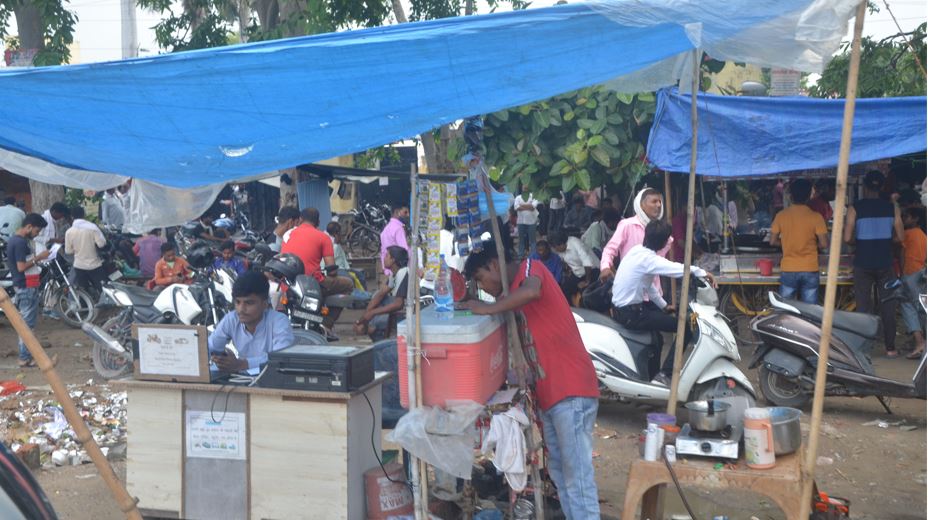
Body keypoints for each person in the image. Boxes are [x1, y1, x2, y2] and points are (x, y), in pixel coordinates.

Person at [460, 241, 600, 518]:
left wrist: (486, 309)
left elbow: (532, 290)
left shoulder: (530, 268)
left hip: (570, 389)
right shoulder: (509, 295)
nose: (483, 287)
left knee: (577, 476)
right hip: (550, 395)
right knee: (560, 472)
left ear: (493, 265)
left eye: (481, 278)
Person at [612, 220, 716, 386]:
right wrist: (702, 272)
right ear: (662, 243)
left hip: (626, 310)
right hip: (632, 313)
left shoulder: (636, 251)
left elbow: (647, 284)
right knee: (687, 327)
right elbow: (676, 269)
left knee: (657, 339)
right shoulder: (649, 259)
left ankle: (653, 379)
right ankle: (665, 374)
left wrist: (664, 306)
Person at [844, 170, 904, 357]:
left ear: (865, 186)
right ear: (882, 187)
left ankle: (864, 350)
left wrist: (858, 241)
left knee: (863, 306)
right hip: (885, 263)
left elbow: (847, 238)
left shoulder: (855, 208)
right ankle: (890, 348)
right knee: (888, 305)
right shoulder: (892, 208)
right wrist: (887, 241)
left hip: (862, 263)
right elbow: (900, 237)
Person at [281, 207, 354, 335]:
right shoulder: (323, 237)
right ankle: (326, 324)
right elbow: (332, 270)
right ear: (318, 222)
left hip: (288, 284)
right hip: (312, 284)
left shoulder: (287, 235)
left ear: (300, 220)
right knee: (348, 284)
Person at [208, 271, 294, 373]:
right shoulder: (232, 319)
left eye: (249, 303)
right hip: (240, 379)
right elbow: (210, 347)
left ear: (265, 304)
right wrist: (221, 359)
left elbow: (281, 359)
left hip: (272, 379)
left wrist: (242, 364)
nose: (241, 309)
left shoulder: (279, 321)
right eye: (237, 302)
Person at [600, 187, 671, 298]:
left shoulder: (663, 232)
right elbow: (610, 249)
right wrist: (605, 267)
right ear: (642, 205)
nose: (658, 205)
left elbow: (657, 263)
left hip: (653, 294)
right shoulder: (627, 225)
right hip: (629, 293)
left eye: (660, 202)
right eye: (654, 201)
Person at [768, 179, 828, 304]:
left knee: (786, 308)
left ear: (791, 196)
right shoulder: (816, 217)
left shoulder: (781, 215)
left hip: (788, 269)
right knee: (810, 311)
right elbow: (824, 244)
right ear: (809, 196)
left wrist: (786, 242)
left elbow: (772, 241)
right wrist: (811, 244)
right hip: (810, 268)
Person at [7, 214, 52, 368]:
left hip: (25, 285)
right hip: (26, 286)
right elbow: (21, 267)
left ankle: (26, 355)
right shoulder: (20, 243)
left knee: (27, 323)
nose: (37, 234)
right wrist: (39, 257)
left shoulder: (15, 240)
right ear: (29, 226)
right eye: (37, 231)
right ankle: (25, 357)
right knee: (27, 325)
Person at [354, 246, 408, 341]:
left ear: (393, 260)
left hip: (407, 311)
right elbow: (380, 294)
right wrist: (364, 318)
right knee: (377, 295)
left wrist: (372, 313)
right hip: (398, 310)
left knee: (384, 304)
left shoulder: (403, 272)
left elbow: (398, 304)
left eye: (387, 256)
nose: (384, 258)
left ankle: (375, 329)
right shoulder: (394, 274)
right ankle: (369, 327)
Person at [900, 207, 926, 359]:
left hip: (910, 273)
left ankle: (920, 342)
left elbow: (899, 247)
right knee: (920, 306)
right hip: (920, 271)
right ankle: (919, 341)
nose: (903, 219)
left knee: (908, 305)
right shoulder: (923, 235)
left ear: (915, 218)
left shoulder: (908, 233)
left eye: (906, 216)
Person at [64, 207, 108, 295]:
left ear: (72, 217)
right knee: (103, 289)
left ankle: (85, 303)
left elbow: (68, 251)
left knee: (84, 292)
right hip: (94, 264)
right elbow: (101, 244)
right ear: (84, 215)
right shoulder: (92, 227)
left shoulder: (69, 232)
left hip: (79, 266)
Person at [550, 230, 597, 300]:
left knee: (585, 292)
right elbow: (564, 260)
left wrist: (587, 281)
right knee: (563, 290)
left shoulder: (575, 243)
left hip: (592, 270)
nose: (555, 250)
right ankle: (571, 306)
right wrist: (568, 270)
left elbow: (587, 262)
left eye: (555, 247)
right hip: (578, 273)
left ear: (561, 244)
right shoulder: (559, 250)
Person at [380, 204, 409, 275]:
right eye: (405, 212)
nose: (408, 215)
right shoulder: (398, 229)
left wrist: (385, 268)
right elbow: (404, 251)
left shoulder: (386, 228)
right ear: (397, 212)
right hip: (398, 270)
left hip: (389, 270)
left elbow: (383, 252)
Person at [513, 188, 539, 258]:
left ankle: (533, 256)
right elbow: (516, 207)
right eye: (524, 187)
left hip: (532, 221)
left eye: (526, 187)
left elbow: (533, 207)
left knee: (532, 240)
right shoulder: (518, 197)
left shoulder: (533, 196)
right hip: (521, 221)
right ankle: (521, 255)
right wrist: (528, 206)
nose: (525, 189)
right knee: (521, 239)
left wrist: (521, 205)